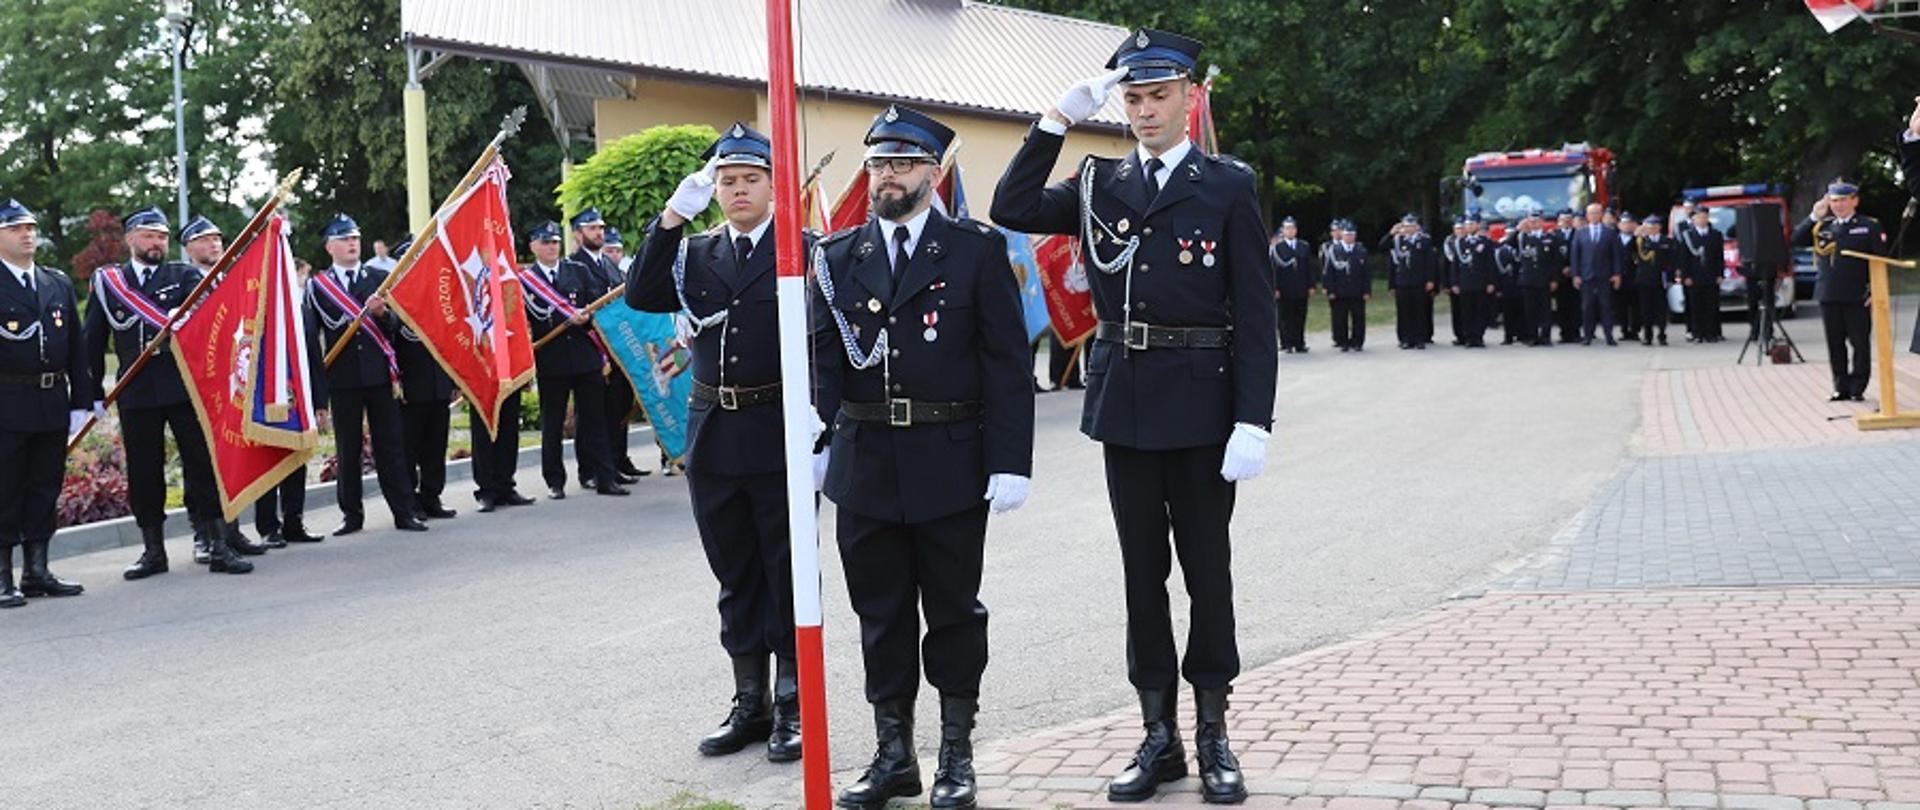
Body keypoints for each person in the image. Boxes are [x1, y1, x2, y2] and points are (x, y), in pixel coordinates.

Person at [993, 28, 1274, 805]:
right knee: (1141, 577)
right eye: (1134, 98)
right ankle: (1159, 736)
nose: (1146, 110)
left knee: (1207, 573)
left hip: (1205, 405)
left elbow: (1255, 313)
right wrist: (1055, 120)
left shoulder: (1227, 184)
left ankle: (1213, 732)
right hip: (1127, 405)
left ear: (1188, 98)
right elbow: (1011, 205)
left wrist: (1254, 418)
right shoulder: (1099, 183)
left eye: (1159, 95)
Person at [818, 103, 1034, 810]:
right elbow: (823, 360)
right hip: (865, 463)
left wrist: (1011, 460)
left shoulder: (974, 250)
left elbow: (1006, 364)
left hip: (950, 459)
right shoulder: (837, 257)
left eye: (904, 163)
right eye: (879, 162)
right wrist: (817, 441)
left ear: (933, 173)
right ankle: (894, 756)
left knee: (952, 613)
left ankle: (956, 755)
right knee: (880, 615)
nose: (889, 175)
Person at [629, 123, 810, 764]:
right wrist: (672, 218)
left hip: (779, 429)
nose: (737, 190)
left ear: (773, 186)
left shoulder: (802, 249)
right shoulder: (694, 253)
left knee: (786, 571)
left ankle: (793, 703)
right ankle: (749, 702)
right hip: (714, 432)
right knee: (734, 572)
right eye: (727, 181)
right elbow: (641, 292)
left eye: (750, 179)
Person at [89, 207, 253, 577]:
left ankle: (218, 545)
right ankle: (153, 552)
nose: (157, 243)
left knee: (202, 465)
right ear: (130, 239)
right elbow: (93, 340)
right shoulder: (110, 282)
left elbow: (215, 319)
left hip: (184, 387)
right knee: (145, 472)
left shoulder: (183, 276)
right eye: (149, 236)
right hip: (137, 389)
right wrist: (92, 392)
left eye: (162, 237)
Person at [305, 213, 427, 534]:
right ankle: (352, 515)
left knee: (391, 446)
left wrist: (383, 313)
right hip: (342, 379)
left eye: (355, 239)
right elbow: (312, 343)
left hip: (379, 376)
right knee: (348, 449)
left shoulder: (379, 278)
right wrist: (318, 396)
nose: (352, 244)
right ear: (329, 246)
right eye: (345, 239)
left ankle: (404, 512)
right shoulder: (318, 287)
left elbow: (397, 327)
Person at [0, 199, 92, 606]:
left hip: (51, 400)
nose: (27, 235)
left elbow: (76, 347)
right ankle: (3, 576)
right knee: (5, 490)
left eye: (31, 228)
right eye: (16, 228)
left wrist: (81, 402)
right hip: (7, 402)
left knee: (44, 487)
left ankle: (37, 570)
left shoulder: (56, 282)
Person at [178, 216, 275, 556]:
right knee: (199, 461)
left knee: (229, 457)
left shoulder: (233, 280)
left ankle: (231, 530)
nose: (214, 244)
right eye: (204, 240)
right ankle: (203, 533)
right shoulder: (182, 282)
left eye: (217, 238)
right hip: (199, 384)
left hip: (231, 380)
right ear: (189, 248)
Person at [524, 218, 628, 499]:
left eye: (555, 242)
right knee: (552, 424)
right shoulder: (526, 281)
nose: (552, 247)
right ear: (533, 246)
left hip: (584, 358)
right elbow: (527, 321)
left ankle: (604, 478)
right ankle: (555, 481)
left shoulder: (577, 271)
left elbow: (596, 306)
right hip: (552, 361)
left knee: (595, 421)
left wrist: (587, 315)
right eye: (546, 242)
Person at [569, 209, 645, 486]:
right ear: (578, 234)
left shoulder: (609, 265)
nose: (599, 232)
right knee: (591, 414)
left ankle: (615, 461)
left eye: (600, 227)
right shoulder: (573, 265)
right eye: (592, 228)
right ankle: (589, 470)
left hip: (617, 347)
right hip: (591, 349)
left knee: (617, 408)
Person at [1792, 179, 1886, 401]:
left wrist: (1876, 290)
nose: (1838, 205)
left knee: (1859, 343)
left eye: (1843, 200)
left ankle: (1857, 388)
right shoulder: (1823, 226)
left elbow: (1879, 261)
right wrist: (1814, 215)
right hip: (1829, 293)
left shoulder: (1869, 225)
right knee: (1835, 343)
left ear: (1855, 201)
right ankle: (1840, 386)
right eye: (1834, 201)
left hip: (1857, 294)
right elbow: (1795, 239)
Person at [392, 234, 457, 523]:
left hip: (438, 384)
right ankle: (411, 501)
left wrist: (453, 381)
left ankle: (432, 496)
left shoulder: (438, 298)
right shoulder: (393, 300)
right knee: (408, 449)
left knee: (435, 446)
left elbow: (450, 341)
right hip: (410, 386)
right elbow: (390, 348)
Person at [1570, 202, 1623, 346]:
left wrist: (1617, 273)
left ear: (1601, 214)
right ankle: (1587, 336)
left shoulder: (1610, 233)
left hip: (1605, 276)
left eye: (1596, 213)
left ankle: (1609, 336)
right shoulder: (1580, 233)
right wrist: (1575, 275)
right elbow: (1575, 255)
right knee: (1587, 307)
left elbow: (1616, 255)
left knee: (1606, 306)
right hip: (1586, 276)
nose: (1593, 215)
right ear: (1587, 216)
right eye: (1591, 213)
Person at [1382, 214, 1436, 350]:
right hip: (1402, 281)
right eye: (1406, 226)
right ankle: (1405, 338)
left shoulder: (1424, 241)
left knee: (1419, 311)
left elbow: (1430, 262)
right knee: (1404, 312)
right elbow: (1382, 246)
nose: (1408, 229)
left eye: (1411, 226)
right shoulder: (1397, 240)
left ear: (1417, 227)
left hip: (1419, 281)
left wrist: (1430, 279)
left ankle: (1419, 339)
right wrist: (1391, 233)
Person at [1323, 220, 1370, 351]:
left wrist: (1367, 290)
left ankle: (1357, 342)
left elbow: (1366, 273)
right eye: (1347, 234)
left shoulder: (1361, 250)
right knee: (1340, 318)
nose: (1349, 237)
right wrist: (1330, 290)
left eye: (1352, 234)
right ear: (1342, 235)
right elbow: (1329, 272)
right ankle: (1343, 342)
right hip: (1339, 291)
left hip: (1357, 291)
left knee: (1358, 318)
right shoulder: (1334, 250)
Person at [1679, 208, 1725, 343]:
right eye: (1699, 217)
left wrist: (1720, 274)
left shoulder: (1716, 234)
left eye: (1704, 217)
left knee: (1711, 305)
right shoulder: (1688, 235)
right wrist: (1685, 276)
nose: (1702, 220)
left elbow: (1719, 257)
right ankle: (1697, 333)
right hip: (1694, 276)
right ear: (1693, 220)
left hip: (1711, 275)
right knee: (1695, 306)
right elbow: (1683, 258)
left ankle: (1711, 333)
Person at [1271, 217, 1314, 354]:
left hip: (1300, 287)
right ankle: (1287, 343)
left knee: (1300, 316)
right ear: (1283, 231)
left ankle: (1299, 343)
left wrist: (1311, 285)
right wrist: (1275, 288)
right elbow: (1274, 270)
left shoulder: (1304, 246)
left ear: (1296, 230)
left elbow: (1308, 268)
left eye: (1292, 228)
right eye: (1287, 228)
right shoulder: (1277, 248)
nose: (1290, 231)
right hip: (1284, 289)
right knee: (1285, 317)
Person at [1453, 213, 1495, 348]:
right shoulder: (1460, 242)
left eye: (1472, 224)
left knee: (1480, 310)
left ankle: (1478, 336)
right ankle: (1469, 337)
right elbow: (1455, 265)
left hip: (1480, 282)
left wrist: (1490, 282)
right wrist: (1455, 282)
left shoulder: (1485, 242)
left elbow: (1490, 264)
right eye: (1467, 224)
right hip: (1465, 282)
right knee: (1466, 311)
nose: (1469, 227)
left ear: (1478, 225)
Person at [1514, 212, 1557, 346]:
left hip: (1544, 278)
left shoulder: (1549, 238)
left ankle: (1545, 337)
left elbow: (1555, 261)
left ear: (1542, 222)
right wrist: (1518, 229)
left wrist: (1554, 279)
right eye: (1531, 221)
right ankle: (1532, 336)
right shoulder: (1522, 238)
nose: (1534, 224)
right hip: (1528, 279)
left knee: (1545, 309)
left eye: (1536, 221)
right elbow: (1507, 243)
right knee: (1530, 309)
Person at [1631, 215, 1674, 346]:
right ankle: (1647, 336)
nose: (1652, 229)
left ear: (1659, 227)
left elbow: (1672, 260)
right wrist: (1635, 236)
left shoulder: (1667, 241)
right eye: (1649, 227)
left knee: (1661, 309)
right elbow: (1630, 253)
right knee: (1646, 309)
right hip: (1644, 279)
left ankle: (1662, 334)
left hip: (1661, 279)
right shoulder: (1640, 241)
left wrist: (1671, 278)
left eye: (1655, 227)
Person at [1551, 210, 1582, 343]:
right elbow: (1552, 257)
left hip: (1575, 275)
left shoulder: (1579, 234)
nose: (1566, 221)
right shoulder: (1553, 235)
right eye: (1563, 219)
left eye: (1569, 218)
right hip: (1560, 276)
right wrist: (1561, 268)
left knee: (1576, 305)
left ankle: (1575, 333)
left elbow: (1582, 255)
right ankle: (1564, 333)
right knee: (1562, 305)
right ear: (1559, 220)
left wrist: (1572, 268)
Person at [1442, 215, 1468, 345]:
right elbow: (1445, 265)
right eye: (1458, 228)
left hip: (1469, 281)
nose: (1460, 231)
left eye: (1462, 228)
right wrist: (1446, 284)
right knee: (1456, 310)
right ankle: (1459, 335)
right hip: (1454, 281)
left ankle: (1470, 334)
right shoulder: (1449, 243)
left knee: (1468, 309)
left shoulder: (1470, 241)